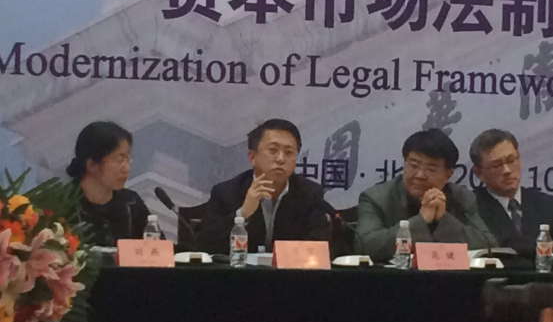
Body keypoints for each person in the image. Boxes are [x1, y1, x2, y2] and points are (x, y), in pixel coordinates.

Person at [355, 128, 495, 263]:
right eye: (414, 165)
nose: (420, 175)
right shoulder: (376, 198)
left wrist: (444, 219)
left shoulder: (462, 198)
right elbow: (364, 246)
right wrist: (421, 220)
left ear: (448, 175)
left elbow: (489, 246)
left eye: (431, 169)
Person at [197, 119, 330, 254]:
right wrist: (242, 214)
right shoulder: (227, 192)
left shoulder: (310, 194)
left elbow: (320, 248)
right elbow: (204, 245)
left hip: (289, 268)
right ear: (252, 157)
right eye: (273, 150)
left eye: (289, 152)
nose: (280, 159)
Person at [67, 121, 151, 246]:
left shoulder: (132, 203)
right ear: (92, 164)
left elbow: (158, 250)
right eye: (120, 159)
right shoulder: (62, 205)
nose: (126, 168)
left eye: (128, 159)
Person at [471, 129, 553, 257]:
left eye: (511, 160)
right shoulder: (470, 208)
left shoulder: (547, 205)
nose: (507, 170)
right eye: (496, 165)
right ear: (478, 173)